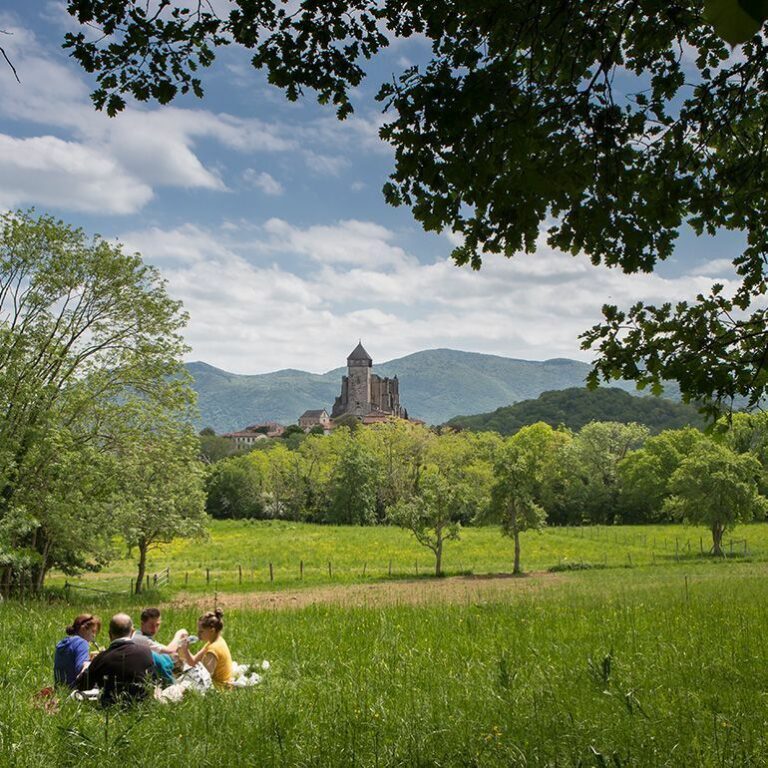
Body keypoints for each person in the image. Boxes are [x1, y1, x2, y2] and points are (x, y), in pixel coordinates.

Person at [76, 613, 154, 706]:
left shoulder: (101, 658)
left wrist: (87, 666)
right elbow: (152, 681)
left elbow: (82, 685)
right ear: (132, 631)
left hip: (111, 708)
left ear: (110, 634)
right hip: (142, 707)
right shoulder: (146, 652)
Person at [178, 608, 233, 687]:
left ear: (212, 631)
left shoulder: (213, 650)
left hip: (219, 688)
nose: (198, 634)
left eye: (201, 631)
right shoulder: (213, 642)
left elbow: (204, 679)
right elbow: (193, 661)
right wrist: (185, 649)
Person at [53, 614, 101, 688]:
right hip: (74, 689)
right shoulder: (82, 643)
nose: (94, 635)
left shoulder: (64, 642)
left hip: (60, 688)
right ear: (83, 629)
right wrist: (96, 661)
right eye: (93, 631)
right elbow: (82, 669)